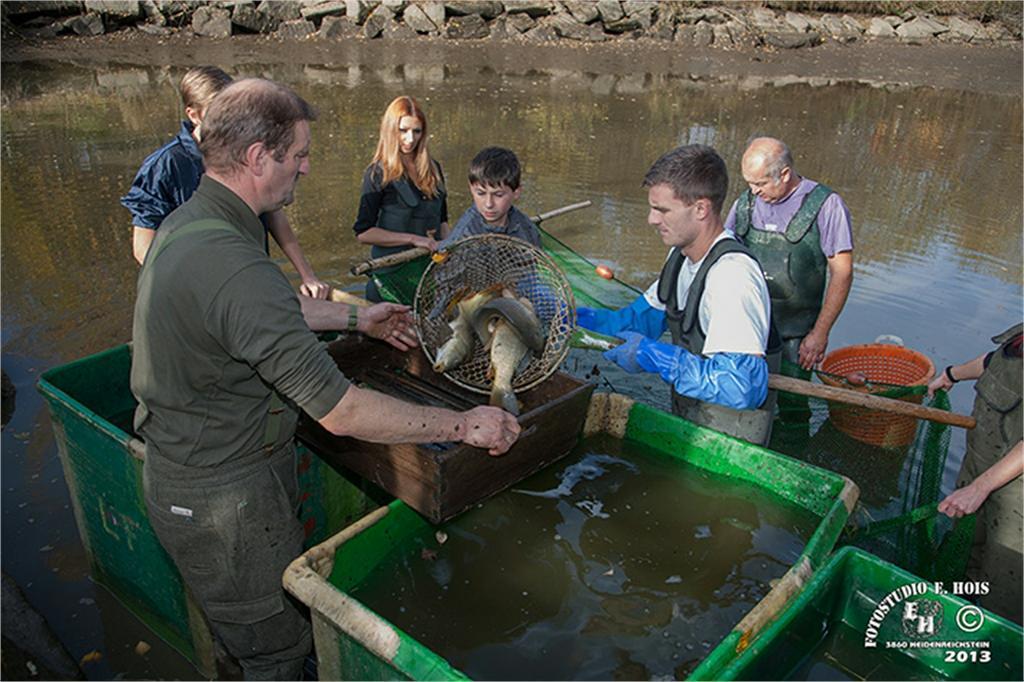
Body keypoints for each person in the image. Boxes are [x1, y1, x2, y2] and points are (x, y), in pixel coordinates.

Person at [130, 79, 520, 679]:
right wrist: (465, 423)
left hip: (203, 469)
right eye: (300, 154)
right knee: (277, 652)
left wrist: (356, 317)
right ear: (258, 158)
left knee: (247, 637)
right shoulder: (232, 263)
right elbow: (341, 412)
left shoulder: (196, 219)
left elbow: (260, 310)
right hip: (220, 499)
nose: (308, 168)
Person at [576, 144, 779, 445]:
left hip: (732, 430)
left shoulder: (732, 275)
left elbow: (741, 386)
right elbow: (637, 322)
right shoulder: (680, 256)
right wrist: (570, 317)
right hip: (692, 409)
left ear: (700, 208)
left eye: (662, 210)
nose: (651, 220)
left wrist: (657, 357)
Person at [120, 66, 329, 298]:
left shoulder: (248, 150)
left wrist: (307, 275)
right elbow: (143, 246)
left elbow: (274, 214)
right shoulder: (164, 165)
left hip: (248, 274)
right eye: (217, 111)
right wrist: (190, 284)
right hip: (197, 288)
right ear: (194, 115)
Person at [724, 136, 853, 373]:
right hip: (748, 326)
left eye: (760, 183)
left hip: (797, 334)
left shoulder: (827, 205)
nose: (753, 191)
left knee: (793, 403)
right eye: (749, 183)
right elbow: (724, 260)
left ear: (784, 174)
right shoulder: (745, 203)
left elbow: (842, 274)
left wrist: (820, 334)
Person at [928, 324, 1022, 624]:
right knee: (966, 554)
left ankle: (992, 655)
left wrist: (979, 489)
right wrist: (951, 374)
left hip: (1015, 502)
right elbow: (994, 361)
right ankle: (960, 616)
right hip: (979, 467)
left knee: (1004, 587)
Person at [353, 95, 449, 301]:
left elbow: (442, 221)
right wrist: (414, 239)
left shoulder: (434, 169)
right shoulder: (377, 174)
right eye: (402, 131)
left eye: (416, 131)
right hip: (391, 279)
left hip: (428, 276)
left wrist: (449, 247)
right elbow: (363, 233)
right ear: (390, 131)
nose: (410, 139)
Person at [438, 146, 540, 249]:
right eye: (481, 193)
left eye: (498, 195)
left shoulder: (526, 227)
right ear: (471, 188)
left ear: (516, 192)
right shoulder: (465, 235)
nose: (489, 204)